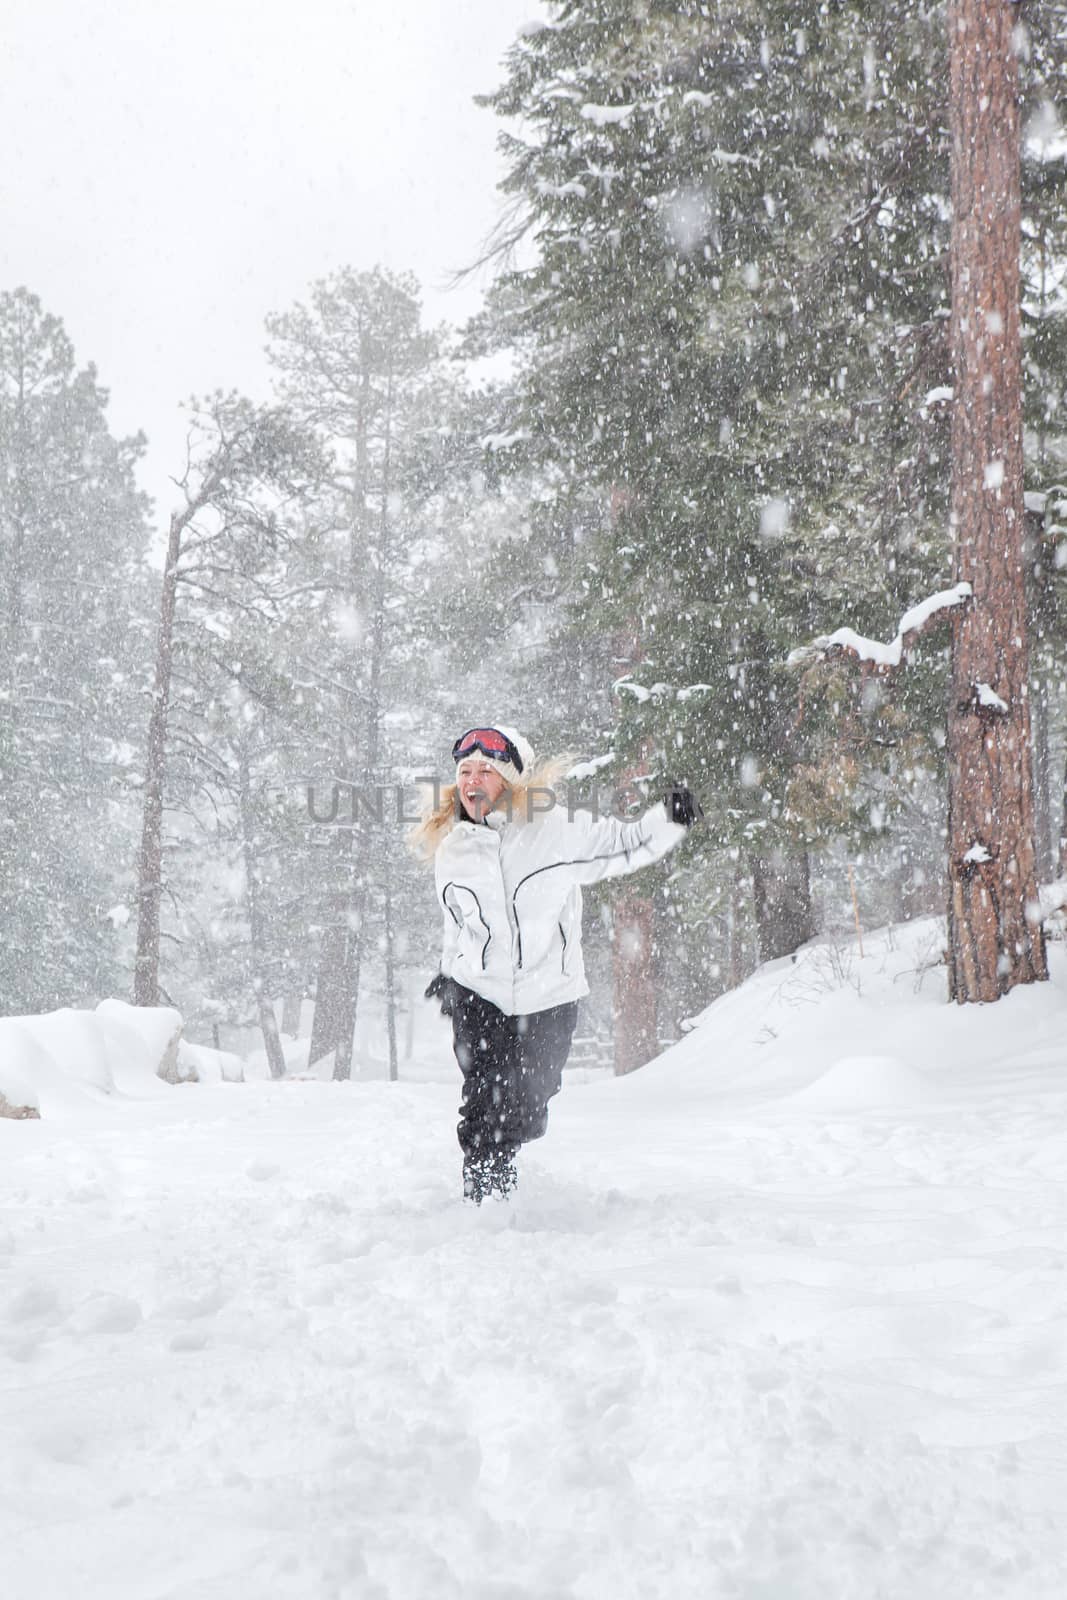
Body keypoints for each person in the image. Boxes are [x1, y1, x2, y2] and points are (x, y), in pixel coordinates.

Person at [409, 724, 702, 1203]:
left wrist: (668, 820)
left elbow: (625, 844)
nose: (472, 779)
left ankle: (507, 1154)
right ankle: (485, 1199)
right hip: (479, 995)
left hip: (548, 995)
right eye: (465, 770)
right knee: (483, 1102)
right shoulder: (453, 848)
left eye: (486, 769)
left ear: (511, 779)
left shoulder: (554, 830)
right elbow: (456, 921)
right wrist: (448, 972)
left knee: (527, 1102)